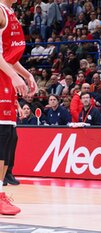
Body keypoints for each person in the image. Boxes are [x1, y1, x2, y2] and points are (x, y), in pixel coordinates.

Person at [0, 0, 38, 215]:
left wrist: (27, 74)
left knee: (9, 137)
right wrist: (14, 75)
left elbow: (9, 57)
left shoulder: (10, 12)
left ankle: (1, 193)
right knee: (2, 135)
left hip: (5, 77)